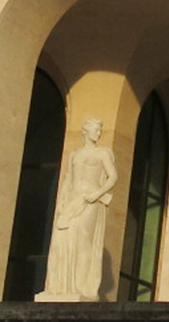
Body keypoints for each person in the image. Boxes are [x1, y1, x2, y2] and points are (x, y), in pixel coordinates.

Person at [37, 117, 116, 301]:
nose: (98, 134)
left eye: (99, 130)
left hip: (90, 201)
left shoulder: (103, 153)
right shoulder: (74, 154)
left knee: (83, 241)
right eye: (95, 130)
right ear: (86, 131)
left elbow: (113, 177)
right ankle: (60, 285)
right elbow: (68, 179)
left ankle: (82, 286)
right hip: (73, 200)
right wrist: (63, 201)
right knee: (61, 240)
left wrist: (97, 194)